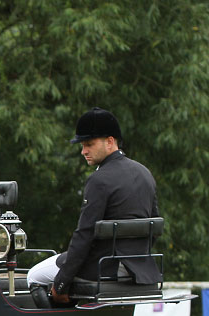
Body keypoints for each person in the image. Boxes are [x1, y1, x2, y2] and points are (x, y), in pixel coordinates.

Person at [27, 107, 161, 304]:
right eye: (82, 146)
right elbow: (154, 228)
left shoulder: (99, 180)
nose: (84, 151)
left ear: (110, 141)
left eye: (89, 144)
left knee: (34, 276)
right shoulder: (144, 173)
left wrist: (61, 284)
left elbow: (84, 235)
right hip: (140, 269)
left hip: (103, 267)